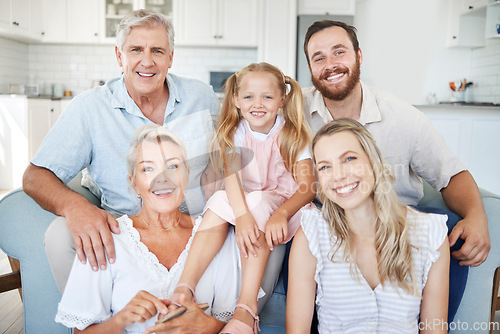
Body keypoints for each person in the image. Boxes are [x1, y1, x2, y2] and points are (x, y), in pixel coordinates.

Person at [300, 20, 490, 321]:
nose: (330, 64)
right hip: (332, 219)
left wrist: (477, 216)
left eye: (339, 52)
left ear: (359, 56)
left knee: (453, 226)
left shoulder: (403, 117)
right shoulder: (293, 113)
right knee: (299, 233)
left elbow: (450, 174)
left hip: (398, 218)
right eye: (319, 57)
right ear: (310, 67)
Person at [22, 9, 218, 294]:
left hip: (197, 232)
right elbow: (34, 176)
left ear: (171, 58)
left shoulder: (202, 96)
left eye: (158, 51)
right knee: (57, 236)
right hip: (127, 237)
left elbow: (223, 158)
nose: (147, 61)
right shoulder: (90, 108)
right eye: (136, 49)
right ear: (119, 55)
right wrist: (76, 207)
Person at [169, 62, 316, 334]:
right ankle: (184, 288)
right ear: (236, 100)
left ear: (282, 99)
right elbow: (232, 180)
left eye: (267, 97)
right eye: (248, 97)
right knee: (216, 202)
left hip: (283, 204)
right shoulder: (235, 131)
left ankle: (246, 309)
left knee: (258, 201)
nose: (257, 104)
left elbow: (308, 186)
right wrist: (242, 217)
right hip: (246, 199)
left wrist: (282, 214)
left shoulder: (293, 134)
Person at [55, 124, 240, 333]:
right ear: (134, 183)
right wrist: (121, 319)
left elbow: (237, 323)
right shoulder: (106, 238)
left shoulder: (216, 235)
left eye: (172, 166)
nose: (163, 178)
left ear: (187, 176)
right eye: (148, 168)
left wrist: (208, 326)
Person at [287, 119, 450, 333]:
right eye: (325, 166)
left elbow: (434, 330)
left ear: (373, 162)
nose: (338, 176)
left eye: (349, 159)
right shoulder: (312, 233)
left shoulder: (430, 233)